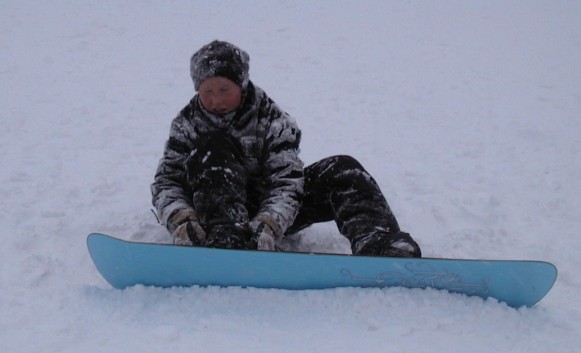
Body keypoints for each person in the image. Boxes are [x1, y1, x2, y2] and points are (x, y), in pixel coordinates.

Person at [151, 40, 421, 257]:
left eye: (224, 89)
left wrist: (269, 223)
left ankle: (377, 242)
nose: (215, 100)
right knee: (214, 146)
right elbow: (167, 182)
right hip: (212, 213)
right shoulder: (186, 124)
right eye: (207, 91)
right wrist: (182, 220)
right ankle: (227, 235)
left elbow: (287, 180)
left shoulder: (272, 119)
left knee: (344, 169)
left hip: (269, 212)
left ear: (242, 85)